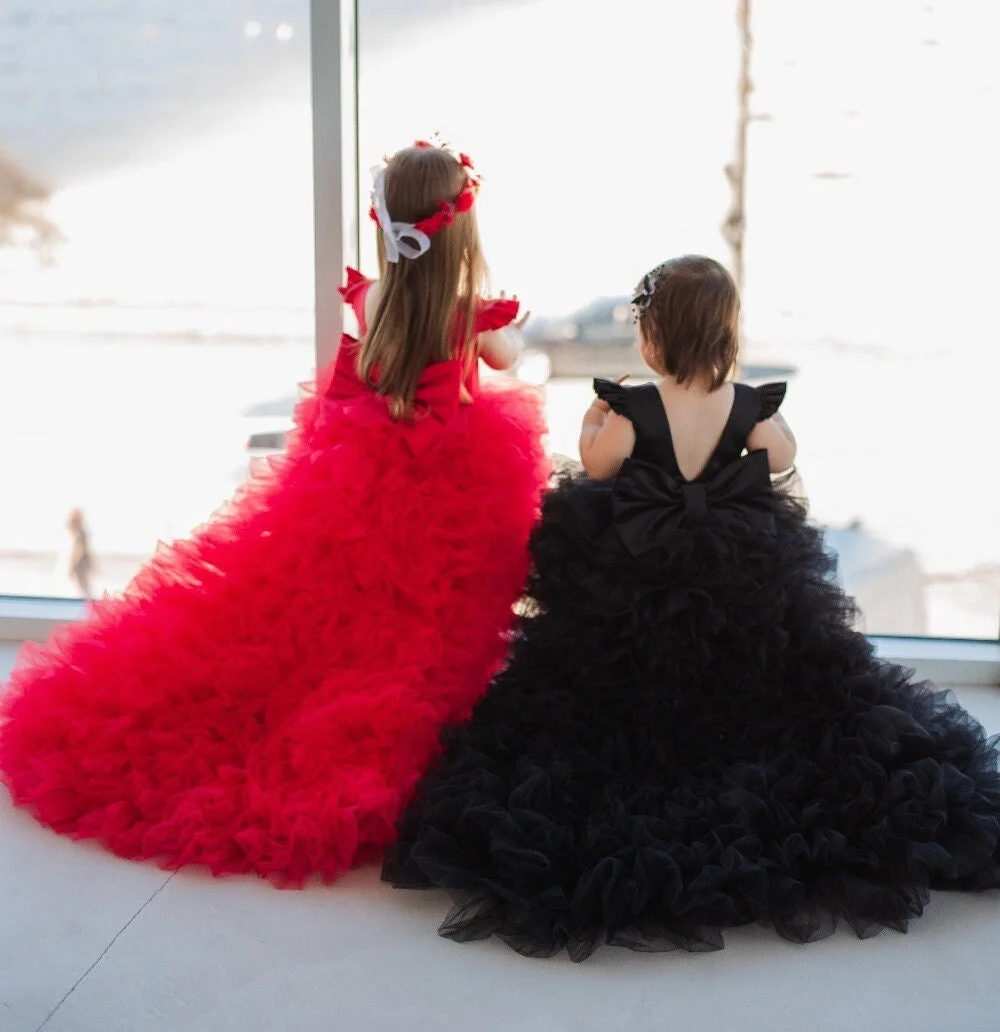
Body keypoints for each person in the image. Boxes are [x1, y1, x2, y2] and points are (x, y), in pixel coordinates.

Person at [384, 255, 1000, 960]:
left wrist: (594, 423)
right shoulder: (743, 401)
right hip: (731, 564)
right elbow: (776, 455)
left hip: (641, 569)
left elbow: (603, 468)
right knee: (765, 669)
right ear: (726, 333)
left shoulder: (635, 404)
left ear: (653, 339)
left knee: (602, 678)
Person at [0, 140, 549, 885]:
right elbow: (510, 356)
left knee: (317, 614)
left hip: (360, 482)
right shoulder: (469, 319)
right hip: (442, 498)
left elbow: (369, 327)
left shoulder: (373, 301)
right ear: (462, 237)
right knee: (417, 619)